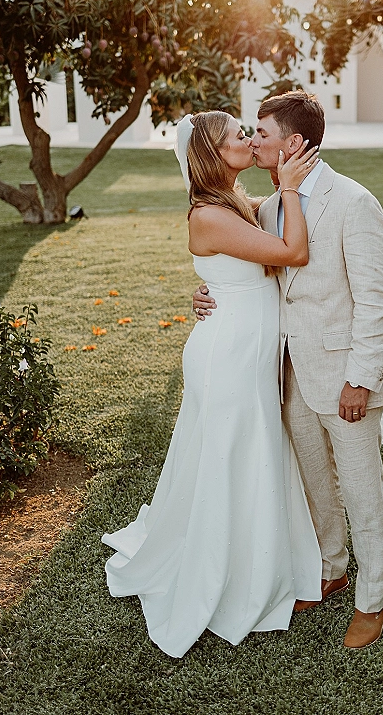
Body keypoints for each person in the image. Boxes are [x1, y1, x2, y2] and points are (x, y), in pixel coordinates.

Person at [193, 91, 383, 649]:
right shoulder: (268, 206)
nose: (254, 142)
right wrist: (207, 294)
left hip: (344, 375)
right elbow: (253, 272)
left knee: (360, 489)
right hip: (289, 375)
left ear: (294, 142)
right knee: (315, 483)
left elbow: (375, 300)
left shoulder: (353, 202)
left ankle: (372, 598)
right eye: (251, 134)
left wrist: (363, 377)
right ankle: (332, 569)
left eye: (261, 133)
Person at [102, 110, 323, 658]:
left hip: (246, 344)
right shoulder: (208, 214)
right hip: (229, 354)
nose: (248, 140)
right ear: (212, 153)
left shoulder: (232, 204)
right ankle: (229, 573)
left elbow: (241, 271)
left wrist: (207, 288)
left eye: (247, 132)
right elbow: (292, 253)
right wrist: (291, 190)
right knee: (230, 456)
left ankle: (262, 554)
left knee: (249, 452)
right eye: (237, 137)